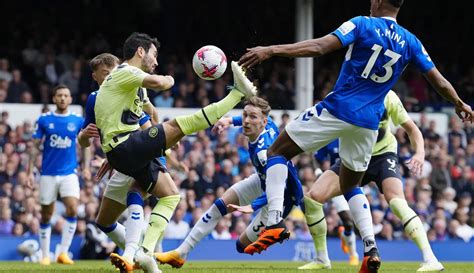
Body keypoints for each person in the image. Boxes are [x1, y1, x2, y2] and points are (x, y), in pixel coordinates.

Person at [238, 1, 472, 272]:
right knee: (350, 184)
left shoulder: (362, 23)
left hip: (338, 109)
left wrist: (272, 50)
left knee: (276, 152)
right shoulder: (411, 41)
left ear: (381, 1)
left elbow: (320, 47)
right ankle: (370, 249)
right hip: (367, 126)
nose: (370, 1)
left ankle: (275, 221)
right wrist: (458, 102)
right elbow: (439, 80)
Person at [93, 32, 256, 272]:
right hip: (125, 146)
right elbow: (160, 83)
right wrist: (172, 78)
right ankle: (237, 95)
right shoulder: (125, 73)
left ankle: (144, 253)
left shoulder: (130, 86)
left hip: (125, 149)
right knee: (181, 124)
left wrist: (162, 141)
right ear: (140, 51)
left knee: (170, 194)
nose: (156, 62)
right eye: (154, 55)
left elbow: (134, 118)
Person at [300, 91, 444, 272]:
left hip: (383, 155)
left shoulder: (388, 96)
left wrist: (420, 152)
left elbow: (412, 129)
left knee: (397, 202)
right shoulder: (341, 93)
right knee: (312, 198)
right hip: (353, 156)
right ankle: (322, 258)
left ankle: (431, 259)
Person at [155, 96, 303, 268]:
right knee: (218, 206)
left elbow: (279, 187)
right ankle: (180, 253)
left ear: (263, 122)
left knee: (242, 246)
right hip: (261, 179)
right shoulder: (267, 122)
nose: (246, 121)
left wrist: (254, 206)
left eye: (252, 117)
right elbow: (249, 118)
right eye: (245, 115)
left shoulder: (265, 152)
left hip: (282, 197)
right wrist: (229, 120)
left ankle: (275, 232)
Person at [27, 84, 84, 265]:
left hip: (69, 172)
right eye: (59, 95)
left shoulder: (77, 120)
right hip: (48, 173)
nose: (62, 98)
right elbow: (35, 147)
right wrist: (30, 171)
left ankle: (63, 253)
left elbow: (86, 141)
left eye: (66, 95)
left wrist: (88, 166)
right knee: (46, 215)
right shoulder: (44, 120)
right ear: (54, 98)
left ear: (70, 99)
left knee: (73, 209)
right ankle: (45, 255)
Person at [314, 140, 359, 266]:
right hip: (336, 183)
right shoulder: (330, 138)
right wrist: (318, 171)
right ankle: (353, 255)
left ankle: (345, 235)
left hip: (355, 182)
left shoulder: (354, 134)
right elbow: (317, 157)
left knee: (356, 221)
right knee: (348, 221)